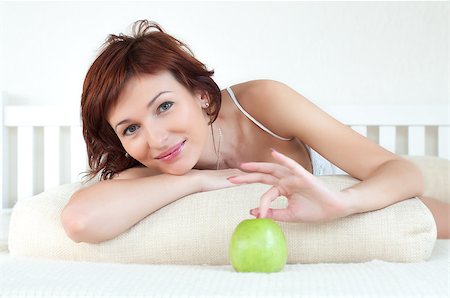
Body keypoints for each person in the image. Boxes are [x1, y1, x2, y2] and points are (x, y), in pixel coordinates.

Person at [61, 20, 449, 243]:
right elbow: (80, 221)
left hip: (349, 189)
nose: (157, 139)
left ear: (199, 95)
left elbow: (403, 173)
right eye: (130, 129)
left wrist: (343, 202)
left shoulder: (263, 102)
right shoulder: (145, 168)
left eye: (164, 106)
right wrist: (196, 181)